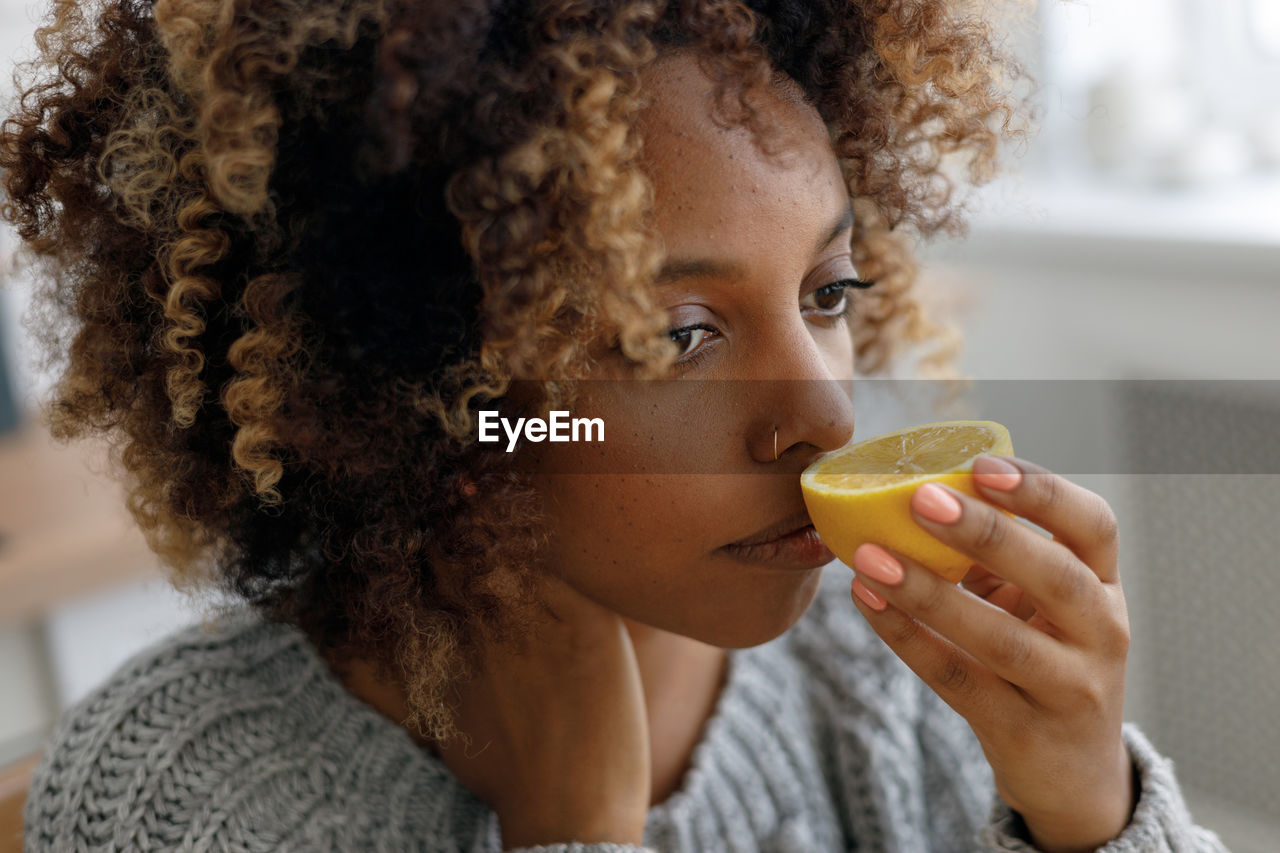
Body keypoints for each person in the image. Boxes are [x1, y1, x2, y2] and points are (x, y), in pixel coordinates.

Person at [1, 1, 1231, 851]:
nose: (820, 417)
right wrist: (579, 828)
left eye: (827, 294)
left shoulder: (889, 670)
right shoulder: (173, 799)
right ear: (410, 389)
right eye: (672, 339)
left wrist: (1087, 806)